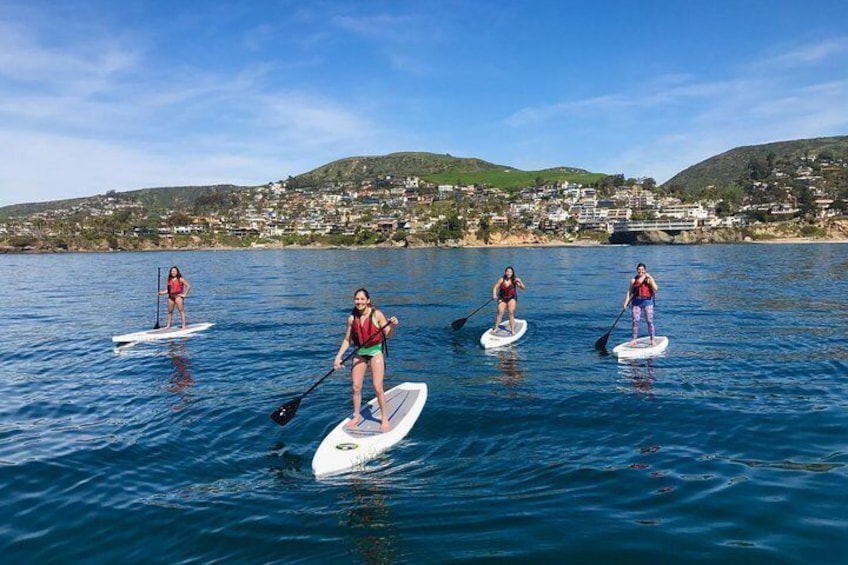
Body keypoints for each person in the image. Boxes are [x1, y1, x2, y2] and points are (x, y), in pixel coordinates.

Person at [334, 288, 399, 433]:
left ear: (368, 300)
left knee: (377, 386)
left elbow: (389, 335)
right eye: (357, 299)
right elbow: (347, 340)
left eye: (362, 299)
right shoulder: (352, 318)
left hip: (375, 352)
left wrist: (393, 325)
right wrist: (338, 357)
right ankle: (356, 416)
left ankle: (384, 418)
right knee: (356, 387)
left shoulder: (377, 314)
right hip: (360, 352)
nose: (359, 302)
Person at [624, 262, 658, 345]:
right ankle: (634, 339)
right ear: (637, 271)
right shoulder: (633, 280)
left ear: (645, 270)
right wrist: (626, 303)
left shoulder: (648, 279)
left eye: (642, 270)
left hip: (647, 302)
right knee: (635, 321)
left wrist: (650, 278)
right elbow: (629, 292)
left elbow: (656, 288)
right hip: (636, 302)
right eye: (639, 270)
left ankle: (652, 339)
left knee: (649, 321)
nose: (641, 272)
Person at [492, 266, 525, 335]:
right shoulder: (501, 280)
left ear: (512, 273)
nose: (508, 273)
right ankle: (495, 329)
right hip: (502, 298)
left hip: (512, 298)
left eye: (510, 272)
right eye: (507, 271)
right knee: (500, 312)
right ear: (505, 272)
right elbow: (495, 288)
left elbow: (523, 288)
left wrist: (520, 281)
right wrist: (494, 295)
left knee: (511, 312)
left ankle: (512, 330)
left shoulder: (515, 280)